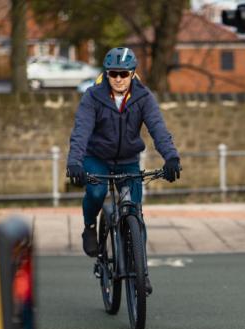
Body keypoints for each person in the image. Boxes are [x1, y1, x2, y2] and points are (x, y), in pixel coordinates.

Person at [66, 47, 181, 294]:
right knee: (96, 193)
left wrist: (171, 157)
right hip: (96, 158)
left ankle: (141, 271)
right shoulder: (93, 97)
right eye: (113, 73)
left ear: (132, 74)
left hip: (128, 160)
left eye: (124, 74)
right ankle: (89, 227)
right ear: (107, 74)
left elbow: (158, 129)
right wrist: (74, 162)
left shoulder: (143, 97)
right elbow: (81, 132)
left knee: (134, 213)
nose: (118, 78)